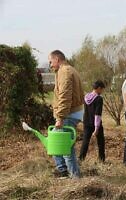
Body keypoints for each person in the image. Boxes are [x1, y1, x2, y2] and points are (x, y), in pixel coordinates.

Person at [48, 50, 84, 178]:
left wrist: (60, 117)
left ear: (57, 59)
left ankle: (75, 178)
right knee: (56, 142)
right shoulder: (68, 70)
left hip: (69, 113)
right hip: (72, 112)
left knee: (65, 147)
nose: (50, 65)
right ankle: (63, 170)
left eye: (51, 62)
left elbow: (65, 96)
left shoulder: (64, 72)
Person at [79, 80, 106, 162]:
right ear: (98, 88)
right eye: (101, 89)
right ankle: (101, 160)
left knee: (85, 141)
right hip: (95, 124)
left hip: (87, 122)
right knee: (101, 142)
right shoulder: (99, 99)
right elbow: (97, 114)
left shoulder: (86, 97)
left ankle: (81, 159)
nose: (102, 91)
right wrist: (97, 128)